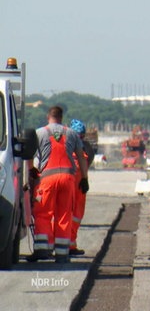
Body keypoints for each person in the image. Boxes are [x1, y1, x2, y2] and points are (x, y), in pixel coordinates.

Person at [26, 106, 89, 264]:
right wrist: (84, 178)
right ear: (61, 118)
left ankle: (42, 249)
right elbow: (81, 157)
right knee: (64, 214)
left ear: (48, 117)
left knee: (42, 213)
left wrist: (31, 170)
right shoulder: (72, 133)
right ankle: (62, 254)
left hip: (47, 178)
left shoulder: (40, 133)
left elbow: (29, 154)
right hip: (68, 179)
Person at [69, 119, 95, 256]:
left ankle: (66, 244)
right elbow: (87, 162)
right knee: (74, 214)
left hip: (74, 185)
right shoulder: (85, 149)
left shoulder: (64, 145)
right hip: (77, 184)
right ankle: (69, 244)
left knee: (69, 214)